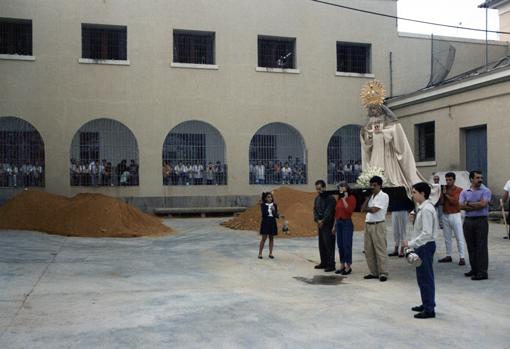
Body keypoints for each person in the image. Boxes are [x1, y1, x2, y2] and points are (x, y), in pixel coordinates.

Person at [403, 182, 439, 319]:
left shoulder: (427, 210)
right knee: (422, 277)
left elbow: (427, 233)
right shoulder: (421, 208)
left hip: (425, 246)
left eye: (414, 192)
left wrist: (410, 243)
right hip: (421, 246)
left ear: (423, 193)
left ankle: (430, 309)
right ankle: (426, 303)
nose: (412, 195)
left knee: (426, 277)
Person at [459, 170, 492, 281]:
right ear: (471, 179)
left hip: (481, 220)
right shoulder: (465, 192)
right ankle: (474, 269)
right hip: (468, 221)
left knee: (481, 246)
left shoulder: (486, 191)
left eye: (481, 178)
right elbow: (460, 206)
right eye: (477, 178)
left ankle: (482, 272)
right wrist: (475, 204)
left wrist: (468, 203)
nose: (480, 180)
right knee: (471, 246)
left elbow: (483, 205)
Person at [361, 175, 390, 282]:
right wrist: (367, 199)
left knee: (380, 249)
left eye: (375, 185)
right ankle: (373, 272)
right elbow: (362, 209)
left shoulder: (384, 196)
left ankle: (383, 272)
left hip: (378, 224)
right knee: (369, 250)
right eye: (371, 185)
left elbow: (374, 210)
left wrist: (367, 208)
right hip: (368, 224)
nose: (372, 187)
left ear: (380, 185)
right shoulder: (371, 197)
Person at [438, 172, 466, 265]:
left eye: (450, 180)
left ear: (454, 180)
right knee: (447, 237)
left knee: (459, 237)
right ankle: (448, 255)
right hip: (445, 214)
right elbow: (441, 203)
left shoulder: (459, 190)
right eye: (446, 180)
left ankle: (462, 257)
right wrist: (442, 194)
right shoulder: (444, 189)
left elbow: (455, 201)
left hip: (455, 214)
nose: (448, 181)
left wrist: (446, 194)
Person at [332, 182, 356, 275]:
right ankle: (342, 265)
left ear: (346, 188)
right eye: (339, 188)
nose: (340, 189)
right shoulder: (339, 199)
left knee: (347, 245)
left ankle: (348, 266)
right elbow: (336, 213)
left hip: (347, 223)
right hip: (339, 223)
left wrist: (345, 199)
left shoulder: (351, 198)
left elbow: (349, 210)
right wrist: (334, 226)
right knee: (340, 245)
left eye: (342, 187)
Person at [313, 179, 336, 272]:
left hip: (328, 225)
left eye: (320, 188)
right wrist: (317, 220)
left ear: (324, 187)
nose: (318, 191)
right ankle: (323, 262)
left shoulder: (330, 198)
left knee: (329, 244)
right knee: (321, 244)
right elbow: (314, 210)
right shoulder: (317, 198)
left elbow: (329, 211)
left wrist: (323, 221)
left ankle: (331, 264)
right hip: (320, 224)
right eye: (317, 189)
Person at [258, 192, 278, 259]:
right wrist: (270, 210)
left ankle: (270, 253)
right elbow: (264, 214)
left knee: (271, 238)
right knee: (264, 238)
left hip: (272, 222)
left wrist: (275, 213)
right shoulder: (263, 205)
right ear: (266, 198)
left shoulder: (274, 205)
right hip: (265, 222)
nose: (270, 198)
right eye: (268, 197)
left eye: (271, 197)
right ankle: (260, 253)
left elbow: (275, 215)